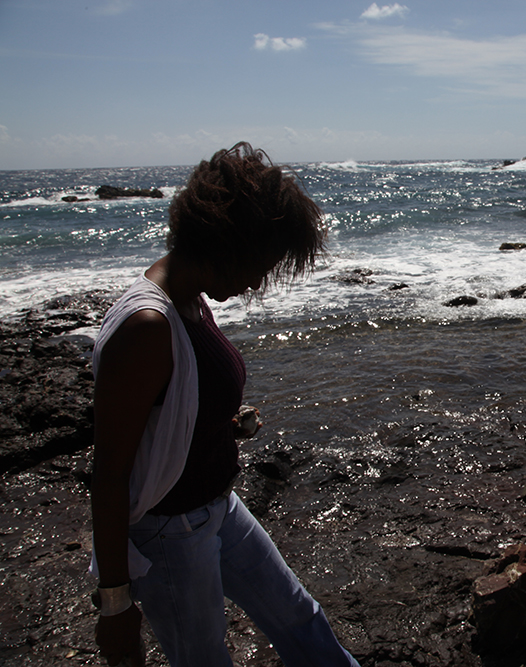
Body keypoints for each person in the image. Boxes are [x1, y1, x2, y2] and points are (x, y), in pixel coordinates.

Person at [90, 142, 360, 667]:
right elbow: (109, 473)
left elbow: (170, 410)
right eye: (259, 264)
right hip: (170, 532)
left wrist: (221, 424)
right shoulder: (146, 326)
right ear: (225, 241)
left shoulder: (191, 299)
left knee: (299, 616)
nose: (258, 281)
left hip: (219, 507)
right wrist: (115, 603)